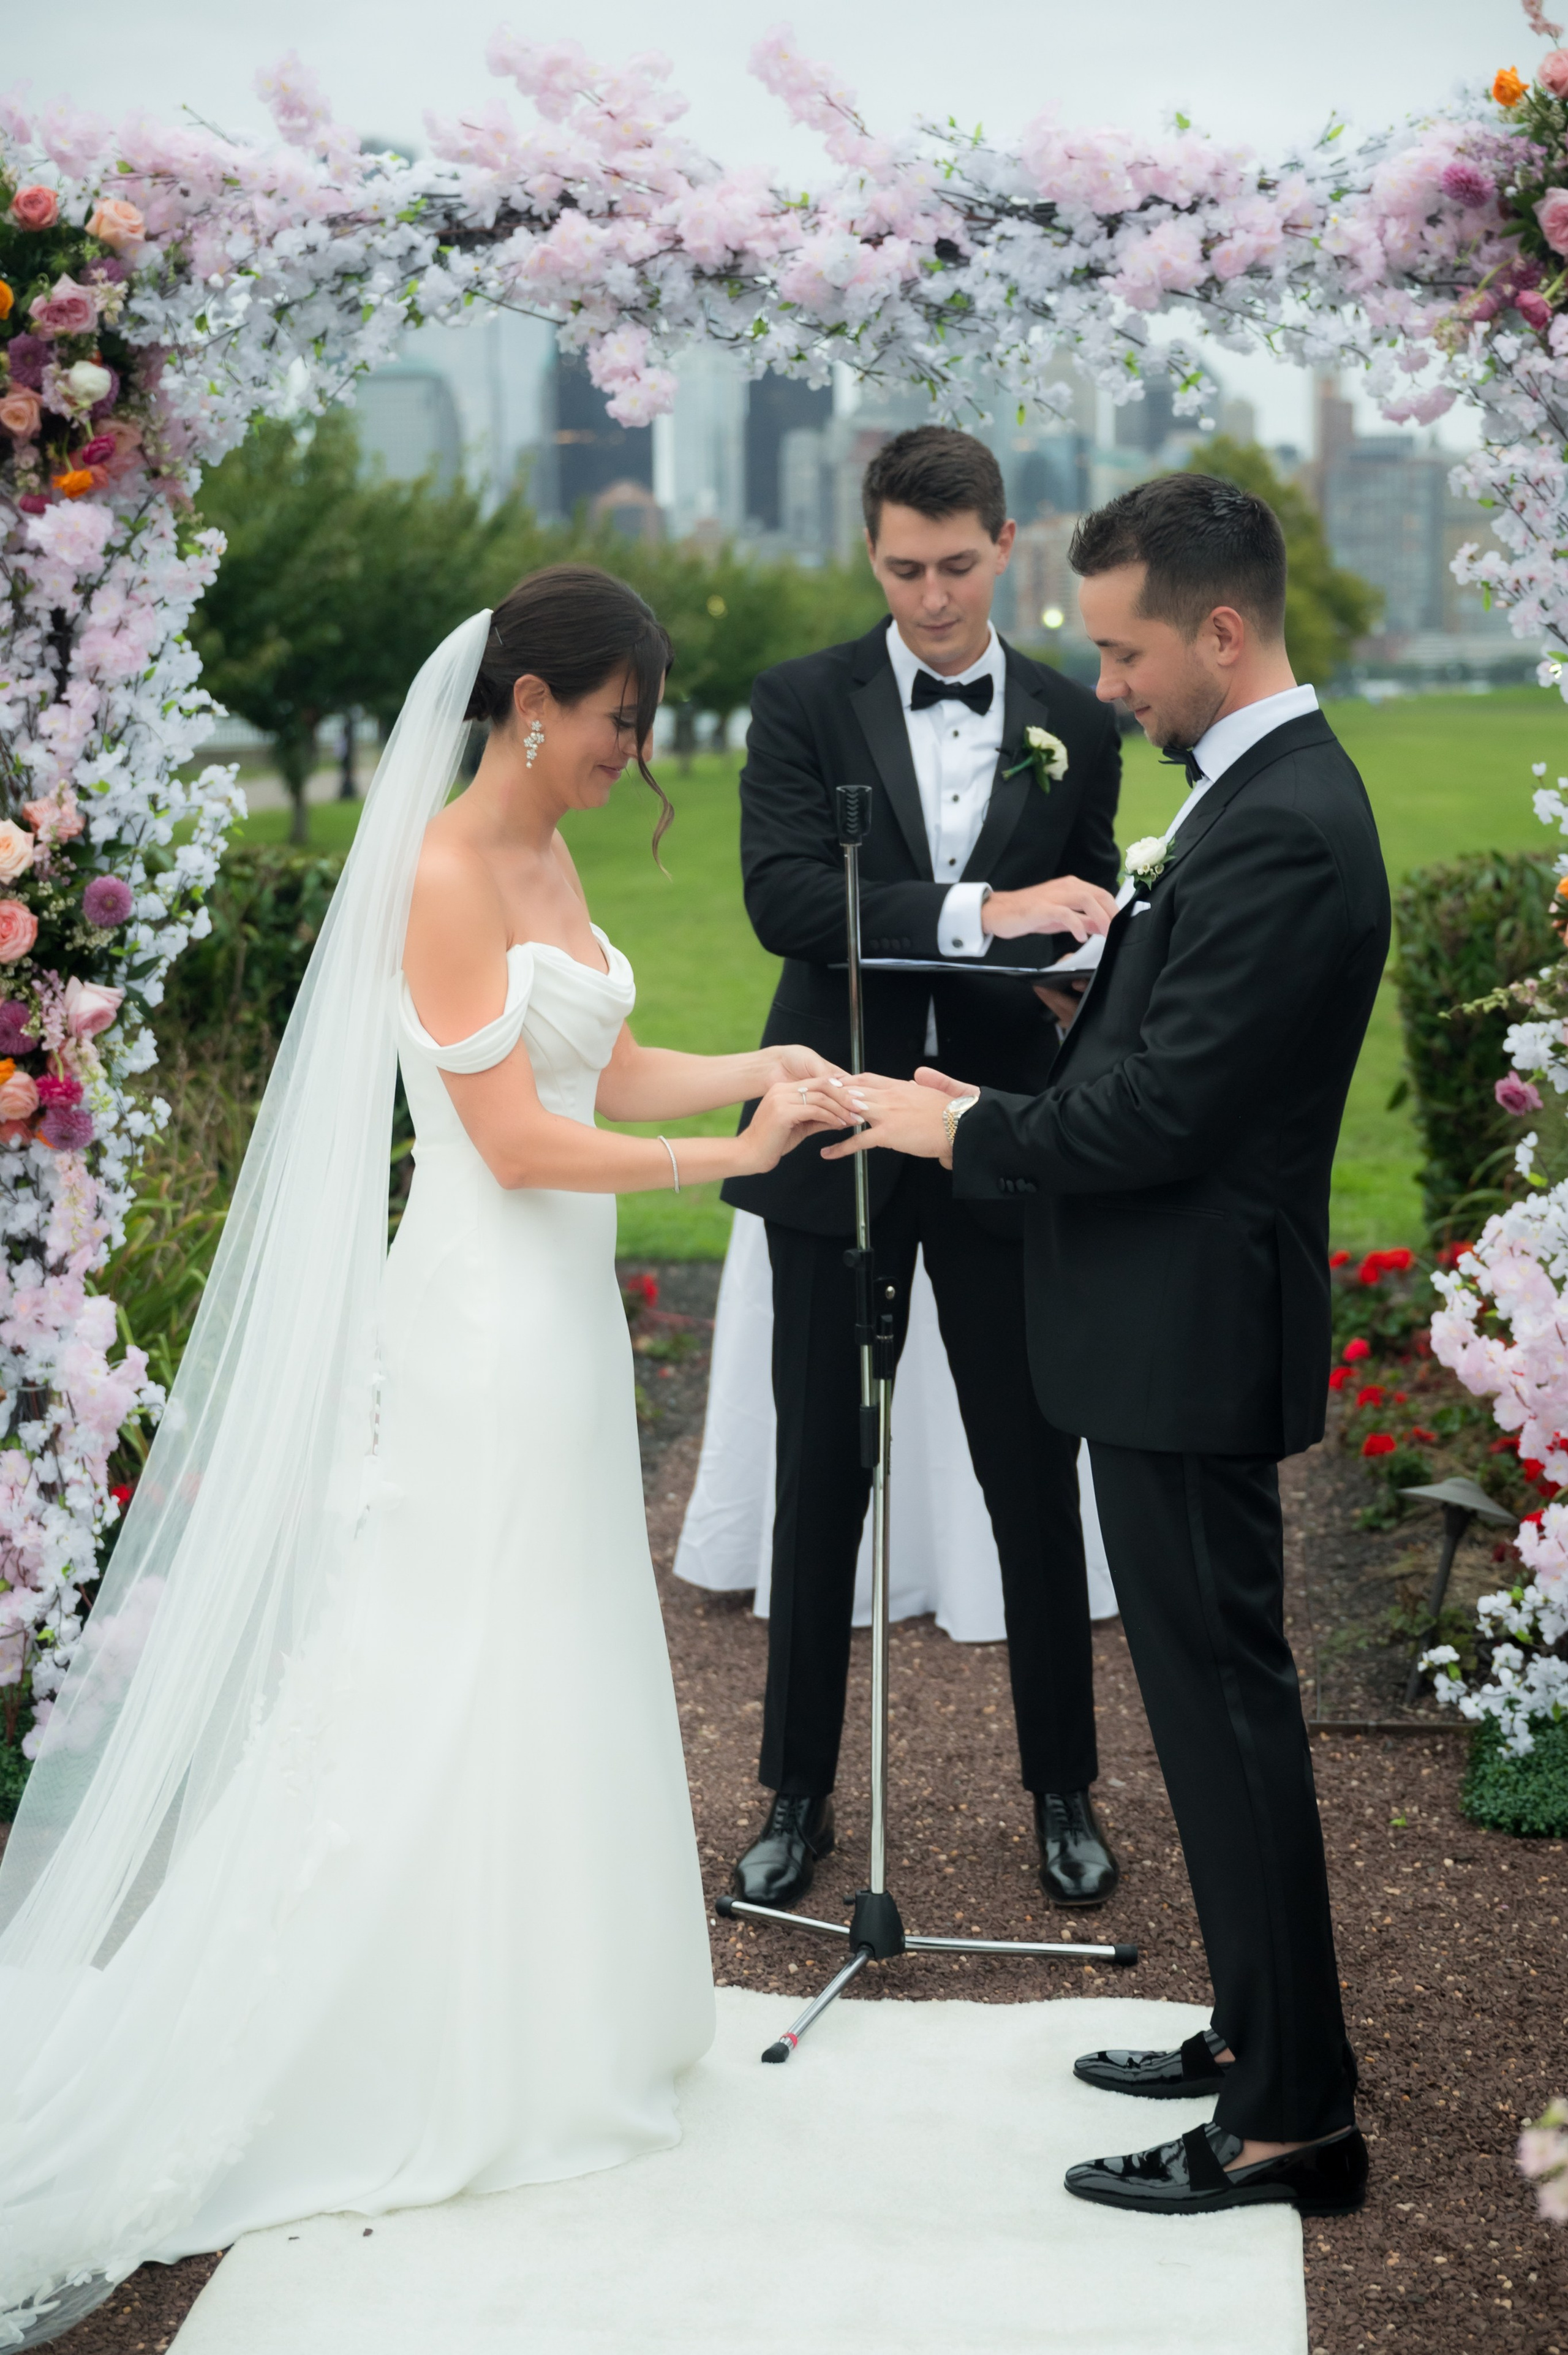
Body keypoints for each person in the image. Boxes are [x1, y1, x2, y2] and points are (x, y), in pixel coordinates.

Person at [0, 569, 846, 2341]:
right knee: (458, 1653)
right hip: (479, 1324)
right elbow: (519, 1143)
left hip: (565, 1333)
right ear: (532, 701)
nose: (634, 753)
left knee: (547, 1645)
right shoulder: (450, 871)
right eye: (621, 721)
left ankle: (558, 2004)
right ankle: (422, 2034)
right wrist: (740, 1167)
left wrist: (754, 1065)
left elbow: (603, 1071)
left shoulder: (545, 847)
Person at [802, 474, 1385, 2218]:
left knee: (1224, 1716)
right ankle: (1259, 2033)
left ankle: (1293, 2120)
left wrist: (951, 1125)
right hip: (1164, 1320)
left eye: (1126, 650)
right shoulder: (1252, 794)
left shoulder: (1285, 817)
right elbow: (1173, 1043)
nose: (1106, 685)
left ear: (1221, 629)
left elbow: (1162, 1120)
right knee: (1213, 1715)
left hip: (1188, 1326)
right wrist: (1099, 993)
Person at [723, 425, 1124, 1914]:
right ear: (869, 549)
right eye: (904, 568)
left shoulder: (1077, 721)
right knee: (820, 1464)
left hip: (1006, 1133)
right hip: (837, 1122)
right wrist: (978, 907)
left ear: (1006, 545)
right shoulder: (799, 701)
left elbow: (1076, 921)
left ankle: (1061, 1791)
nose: (933, 597)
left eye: (958, 566)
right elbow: (778, 901)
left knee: (1035, 1466)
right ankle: (795, 1794)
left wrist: (1083, 969)